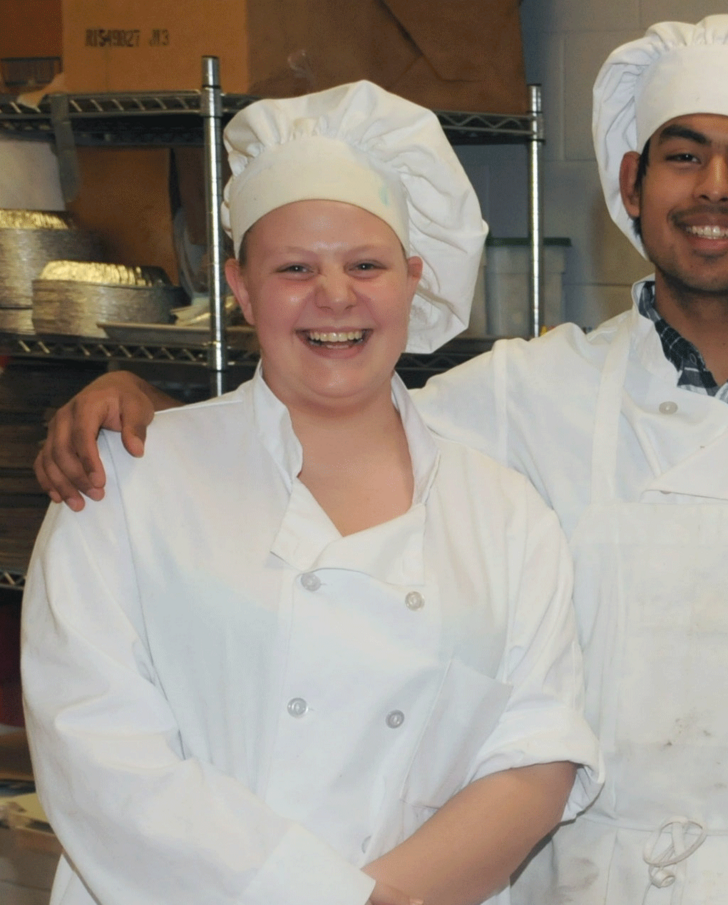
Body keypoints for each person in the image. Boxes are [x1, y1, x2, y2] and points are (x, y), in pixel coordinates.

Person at [31, 17, 728, 905]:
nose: (714, 189)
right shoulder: (522, 391)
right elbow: (327, 402)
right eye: (682, 156)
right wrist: (148, 405)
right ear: (630, 183)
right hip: (570, 873)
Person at [20, 81, 599, 905]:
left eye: (366, 264)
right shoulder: (129, 484)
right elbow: (99, 755)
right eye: (294, 268)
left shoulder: (505, 515)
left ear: (413, 280)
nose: (335, 296)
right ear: (242, 288)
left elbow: (532, 759)